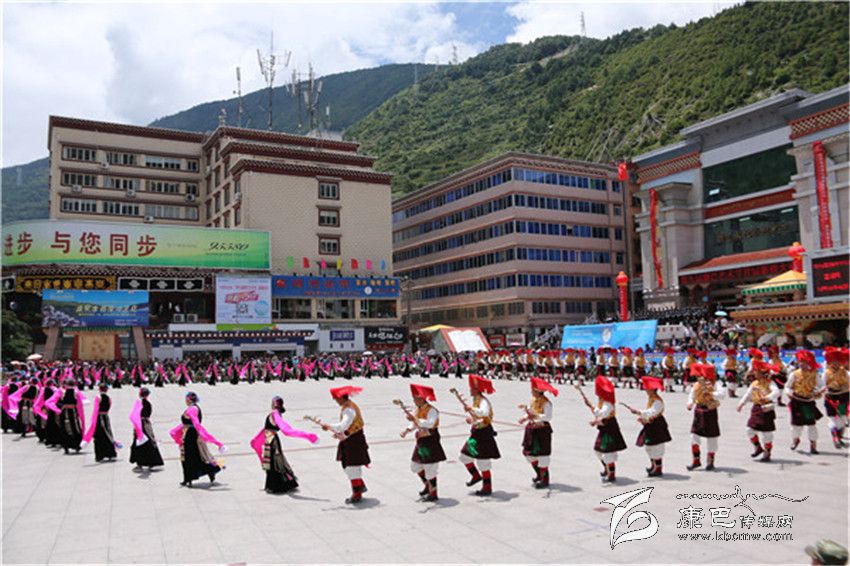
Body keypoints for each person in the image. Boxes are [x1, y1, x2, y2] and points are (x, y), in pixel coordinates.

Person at [250, 396, 318, 494]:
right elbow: (266, 428)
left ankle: (277, 486)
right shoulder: (275, 414)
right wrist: (257, 439)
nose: (271, 404)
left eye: (272, 402)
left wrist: (307, 436)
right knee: (274, 462)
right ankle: (279, 484)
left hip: (272, 441)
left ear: (275, 404)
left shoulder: (275, 413)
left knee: (275, 463)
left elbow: (286, 430)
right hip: (270, 439)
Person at [324, 386, 371, 504]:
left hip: (354, 441)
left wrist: (329, 426)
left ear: (341, 398)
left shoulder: (348, 410)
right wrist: (341, 434)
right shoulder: (349, 406)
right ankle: (360, 485)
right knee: (348, 465)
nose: (336, 401)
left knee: (352, 467)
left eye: (336, 399)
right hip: (351, 438)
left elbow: (342, 426)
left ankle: (357, 494)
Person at [170, 391, 225, 487]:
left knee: (191, 457)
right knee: (189, 457)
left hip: (191, 436)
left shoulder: (193, 409)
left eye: (186, 399)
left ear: (189, 399)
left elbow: (195, 423)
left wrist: (203, 434)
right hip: (188, 434)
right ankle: (188, 478)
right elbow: (188, 423)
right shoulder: (192, 408)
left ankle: (211, 470)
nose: (185, 401)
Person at [458, 374, 501, 496]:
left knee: (483, 461)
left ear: (477, 389)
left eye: (472, 388)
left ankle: (487, 487)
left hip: (484, 433)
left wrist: (471, 409)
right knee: (464, 456)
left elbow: (484, 413)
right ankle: (476, 476)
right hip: (476, 432)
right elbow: (477, 416)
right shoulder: (476, 400)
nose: (470, 390)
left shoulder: (483, 401)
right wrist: (471, 419)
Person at [404, 384, 446, 502]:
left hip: (430, 439)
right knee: (415, 466)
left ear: (422, 398)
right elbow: (414, 423)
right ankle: (427, 485)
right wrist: (408, 429)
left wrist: (416, 420)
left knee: (430, 467)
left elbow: (430, 423)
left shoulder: (432, 410)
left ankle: (433, 492)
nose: (414, 401)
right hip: (421, 440)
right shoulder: (418, 409)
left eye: (416, 398)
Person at [736, 360, 780, 462]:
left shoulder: (770, 382)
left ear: (762, 373)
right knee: (749, 430)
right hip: (756, 408)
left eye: (756, 371)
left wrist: (767, 397)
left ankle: (767, 452)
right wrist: (741, 404)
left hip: (767, 408)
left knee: (767, 433)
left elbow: (776, 392)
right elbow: (748, 394)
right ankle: (758, 447)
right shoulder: (754, 383)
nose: (754, 373)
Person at [784, 350, 825, 454]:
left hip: (808, 401)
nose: (802, 364)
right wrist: (789, 393)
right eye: (800, 361)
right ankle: (795, 440)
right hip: (796, 401)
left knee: (811, 424)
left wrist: (818, 392)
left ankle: (813, 445)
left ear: (808, 362)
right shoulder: (794, 374)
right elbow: (787, 386)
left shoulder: (814, 374)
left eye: (804, 362)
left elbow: (822, 385)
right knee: (796, 425)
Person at [686, 363, 724, 471]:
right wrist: (690, 403)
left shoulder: (715, 384)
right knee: (694, 435)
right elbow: (692, 395)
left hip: (710, 411)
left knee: (712, 437)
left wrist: (712, 394)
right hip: (699, 410)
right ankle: (696, 460)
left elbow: (722, 394)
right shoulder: (697, 384)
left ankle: (710, 461)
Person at [521, 377, 557, 488]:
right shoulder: (533, 400)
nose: (531, 392)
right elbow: (530, 411)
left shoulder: (547, 403)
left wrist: (535, 416)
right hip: (532, 429)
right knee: (529, 454)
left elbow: (548, 417)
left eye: (533, 390)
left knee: (543, 455)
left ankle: (544, 479)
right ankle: (539, 474)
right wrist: (525, 418)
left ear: (537, 391)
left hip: (542, 430)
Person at [591, 375, 627, 483]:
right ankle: (606, 468)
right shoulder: (603, 401)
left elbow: (602, 413)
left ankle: (611, 474)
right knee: (598, 450)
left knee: (608, 452)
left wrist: (593, 408)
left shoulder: (608, 403)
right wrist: (596, 421)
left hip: (609, 428)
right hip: (604, 427)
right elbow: (601, 416)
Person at [634, 376, 672, 477]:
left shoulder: (657, 401)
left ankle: (658, 468)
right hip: (651, 424)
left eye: (647, 388)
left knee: (657, 447)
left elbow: (652, 412)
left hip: (657, 425)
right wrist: (643, 418)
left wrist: (639, 412)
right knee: (649, 446)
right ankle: (653, 465)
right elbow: (649, 413)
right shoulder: (651, 398)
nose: (645, 389)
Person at [129, 387, 165, 470]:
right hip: (145, 424)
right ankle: (150, 462)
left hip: (140, 425)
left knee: (138, 443)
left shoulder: (139, 403)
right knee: (149, 442)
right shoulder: (147, 404)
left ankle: (140, 462)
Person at [81, 383, 118, 462]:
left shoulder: (98, 398)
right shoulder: (109, 398)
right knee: (108, 434)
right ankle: (110, 453)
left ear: (99, 389)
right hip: (106, 417)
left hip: (98, 418)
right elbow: (109, 407)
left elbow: (95, 409)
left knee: (98, 436)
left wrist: (93, 420)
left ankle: (100, 455)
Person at [823, 348, 849, 448]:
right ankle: (835, 438)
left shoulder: (845, 372)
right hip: (831, 397)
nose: (836, 363)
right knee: (832, 418)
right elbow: (822, 385)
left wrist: (846, 387)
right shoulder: (826, 373)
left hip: (843, 397)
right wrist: (825, 390)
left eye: (838, 361)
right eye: (834, 361)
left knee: (842, 418)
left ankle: (839, 437)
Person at [59, 378, 86, 454]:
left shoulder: (63, 392)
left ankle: (66, 446)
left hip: (65, 411)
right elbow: (79, 404)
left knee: (65, 428)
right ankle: (77, 445)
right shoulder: (76, 392)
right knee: (75, 427)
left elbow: (60, 402)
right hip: (73, 411)